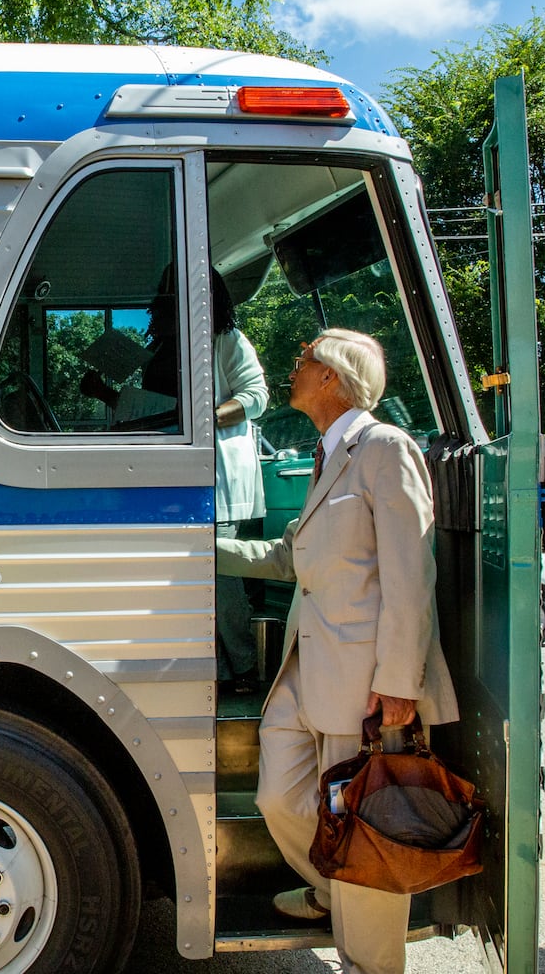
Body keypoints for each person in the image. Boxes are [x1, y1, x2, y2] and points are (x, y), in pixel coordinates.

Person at [217, 329, 459, 974]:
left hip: (364, 680)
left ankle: (371, 964)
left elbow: (412, 573)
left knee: (365, 822)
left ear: (332, 377)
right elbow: (286, 556)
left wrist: (400, 682)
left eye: (302, 360)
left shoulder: (385, 449)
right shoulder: (326, 455)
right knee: (280, 797)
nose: (292, 369)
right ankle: (329, 888)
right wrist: (194, 547)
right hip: (307, 670)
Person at [208, 270, 269, 694]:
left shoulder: (228, 340)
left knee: (222, 577)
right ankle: (223, 672)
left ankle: (246, 668)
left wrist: (204, 418)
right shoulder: (170, 347)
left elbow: (257, 396)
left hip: (219, 476)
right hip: (182, 477)